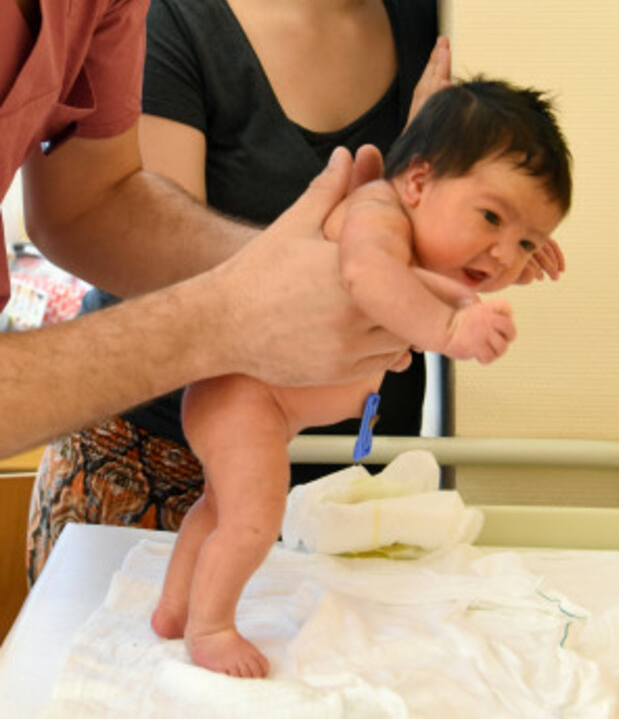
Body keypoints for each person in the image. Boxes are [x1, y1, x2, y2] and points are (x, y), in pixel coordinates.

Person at [26, 0, 458, 578]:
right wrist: (363, 252)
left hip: (342, 478)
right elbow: (121, 234)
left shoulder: (427, 8)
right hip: (167, 468)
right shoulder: (173, 15)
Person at [150, 78, 573, 677]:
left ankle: (173, 609)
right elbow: (368, 276)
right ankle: (210, 627)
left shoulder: (420, 240)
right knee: (253, 519)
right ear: (419, 183)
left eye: (526, 239)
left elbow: (439, 279)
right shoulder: (376, 214)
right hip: (247, 398)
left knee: (220, 509)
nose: (504, 253)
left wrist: (510, 264)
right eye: (491, 217)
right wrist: (451, 333)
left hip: (257, 405)